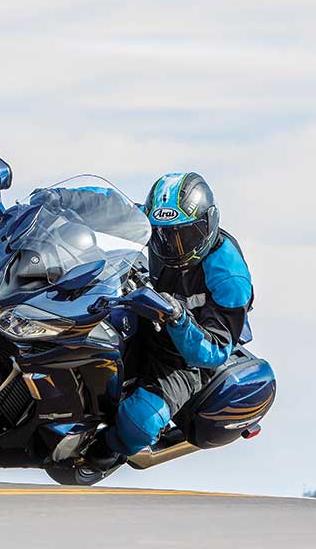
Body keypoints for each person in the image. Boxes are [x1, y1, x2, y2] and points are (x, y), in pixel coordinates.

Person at [81, 172, 254, 471]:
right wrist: (55, 200)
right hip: (144, 310)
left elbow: (215, 350)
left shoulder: (229, 276)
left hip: (184, 356)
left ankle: (102, 450)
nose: (173, 245)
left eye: (184, 235)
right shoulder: (156, 224)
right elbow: (106, 203)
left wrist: (178, 317)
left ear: (207, 224)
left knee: (140, 420)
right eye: (163, 235)